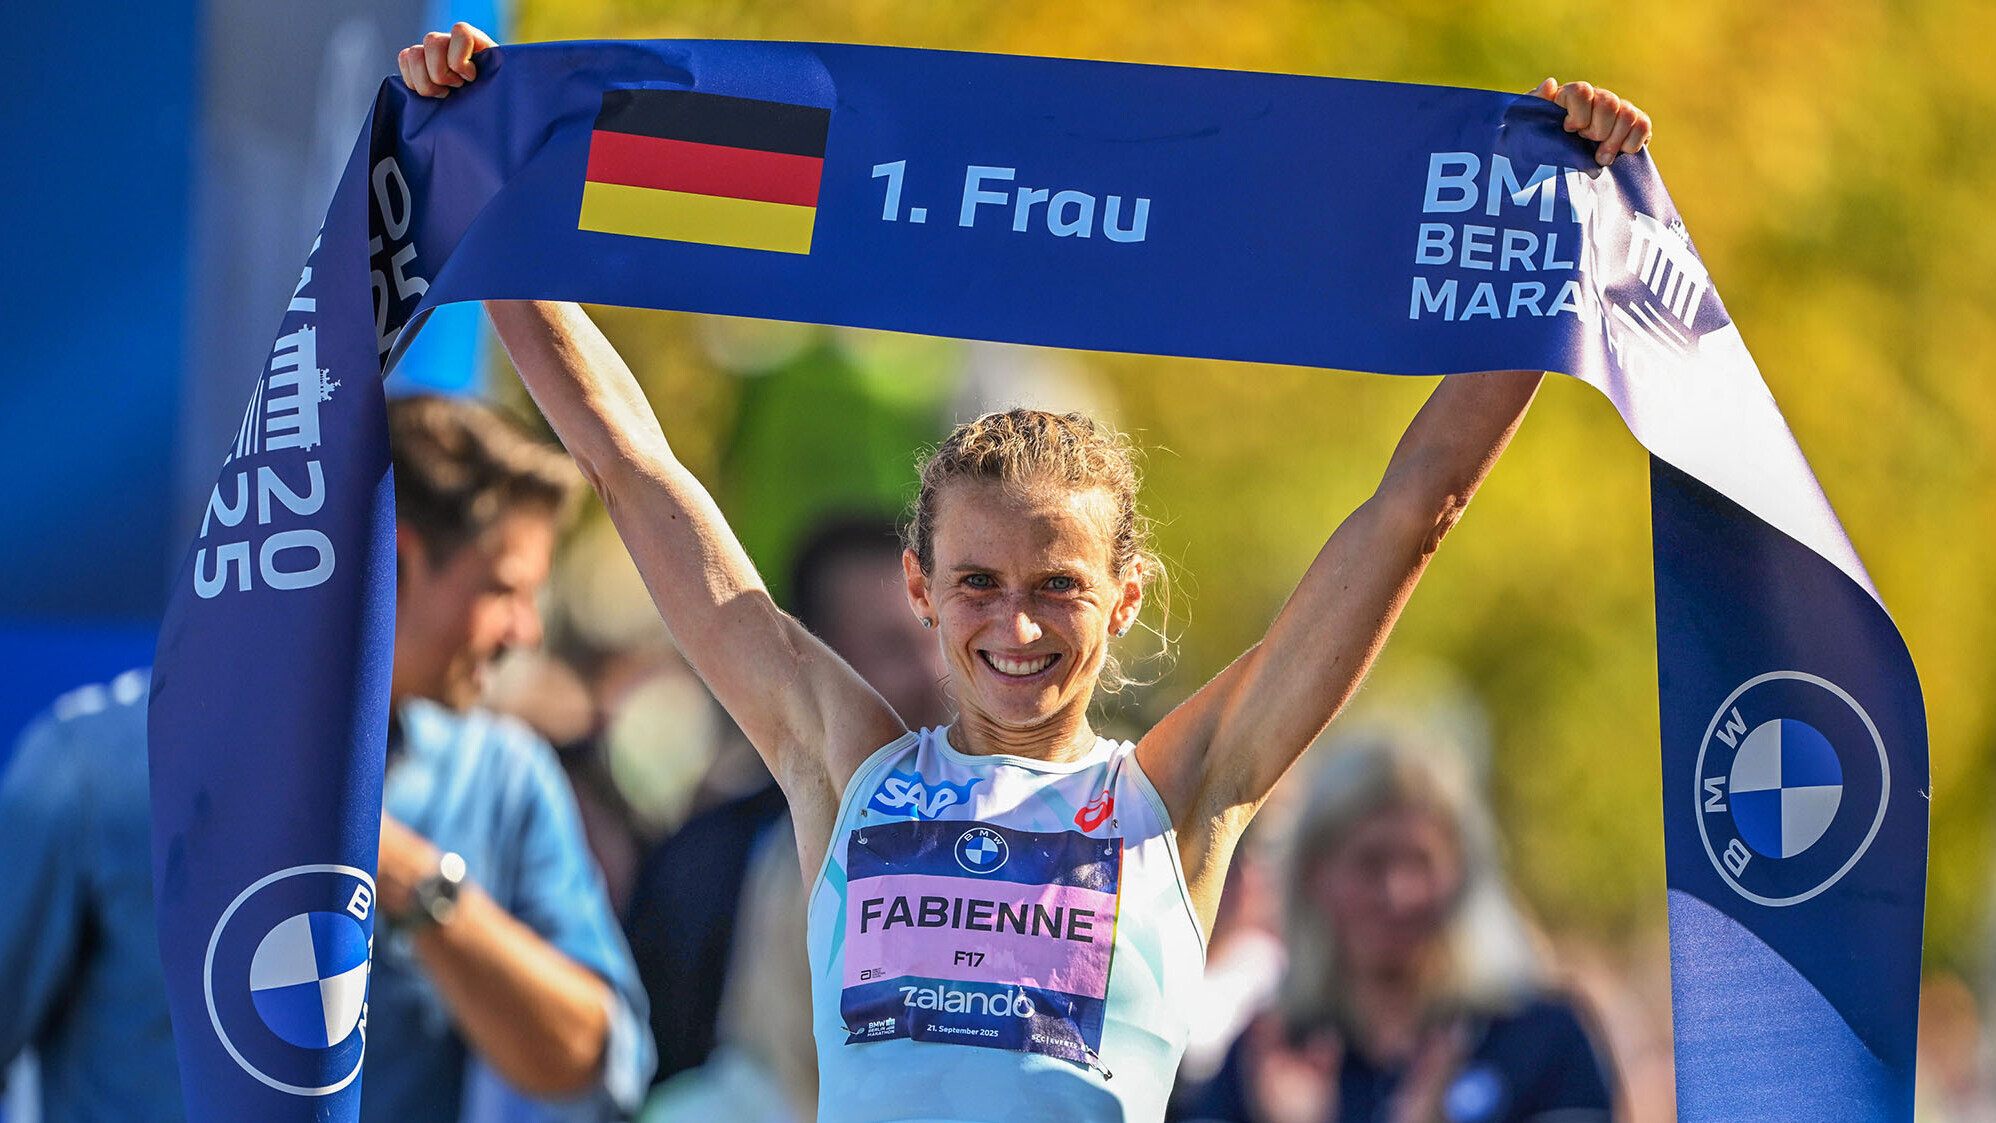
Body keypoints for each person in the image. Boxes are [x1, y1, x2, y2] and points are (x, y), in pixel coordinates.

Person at [400, 25, 1653, 1123]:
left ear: (1123, 597)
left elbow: (1406, 516)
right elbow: (634, 470)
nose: (1016, 624)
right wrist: (488, 176)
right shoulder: (846, 761)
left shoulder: (1181, 794)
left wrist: (1552, 240)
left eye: (1058, 585)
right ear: (918, 588)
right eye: (978, 583)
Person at [0, 395, 656, 1123]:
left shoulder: (503, 780)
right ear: (396, 560)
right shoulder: (96, 767)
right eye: (504, 590)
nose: (526, 632)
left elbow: (588, 1058)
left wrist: (408, 880)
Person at [626, 514, 950, 1087]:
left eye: (939, 638)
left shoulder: (1031, 839)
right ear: (810, 670)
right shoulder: (706, 870)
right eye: (894, 648)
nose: (934, 675)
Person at [1172, 730, 1616, 1123]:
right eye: (1371, 862)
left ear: (1463, 872)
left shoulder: (1540, 1040)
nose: (1397, 892)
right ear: (1314, 874)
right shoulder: (1269, 1054)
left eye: (1421, 862)